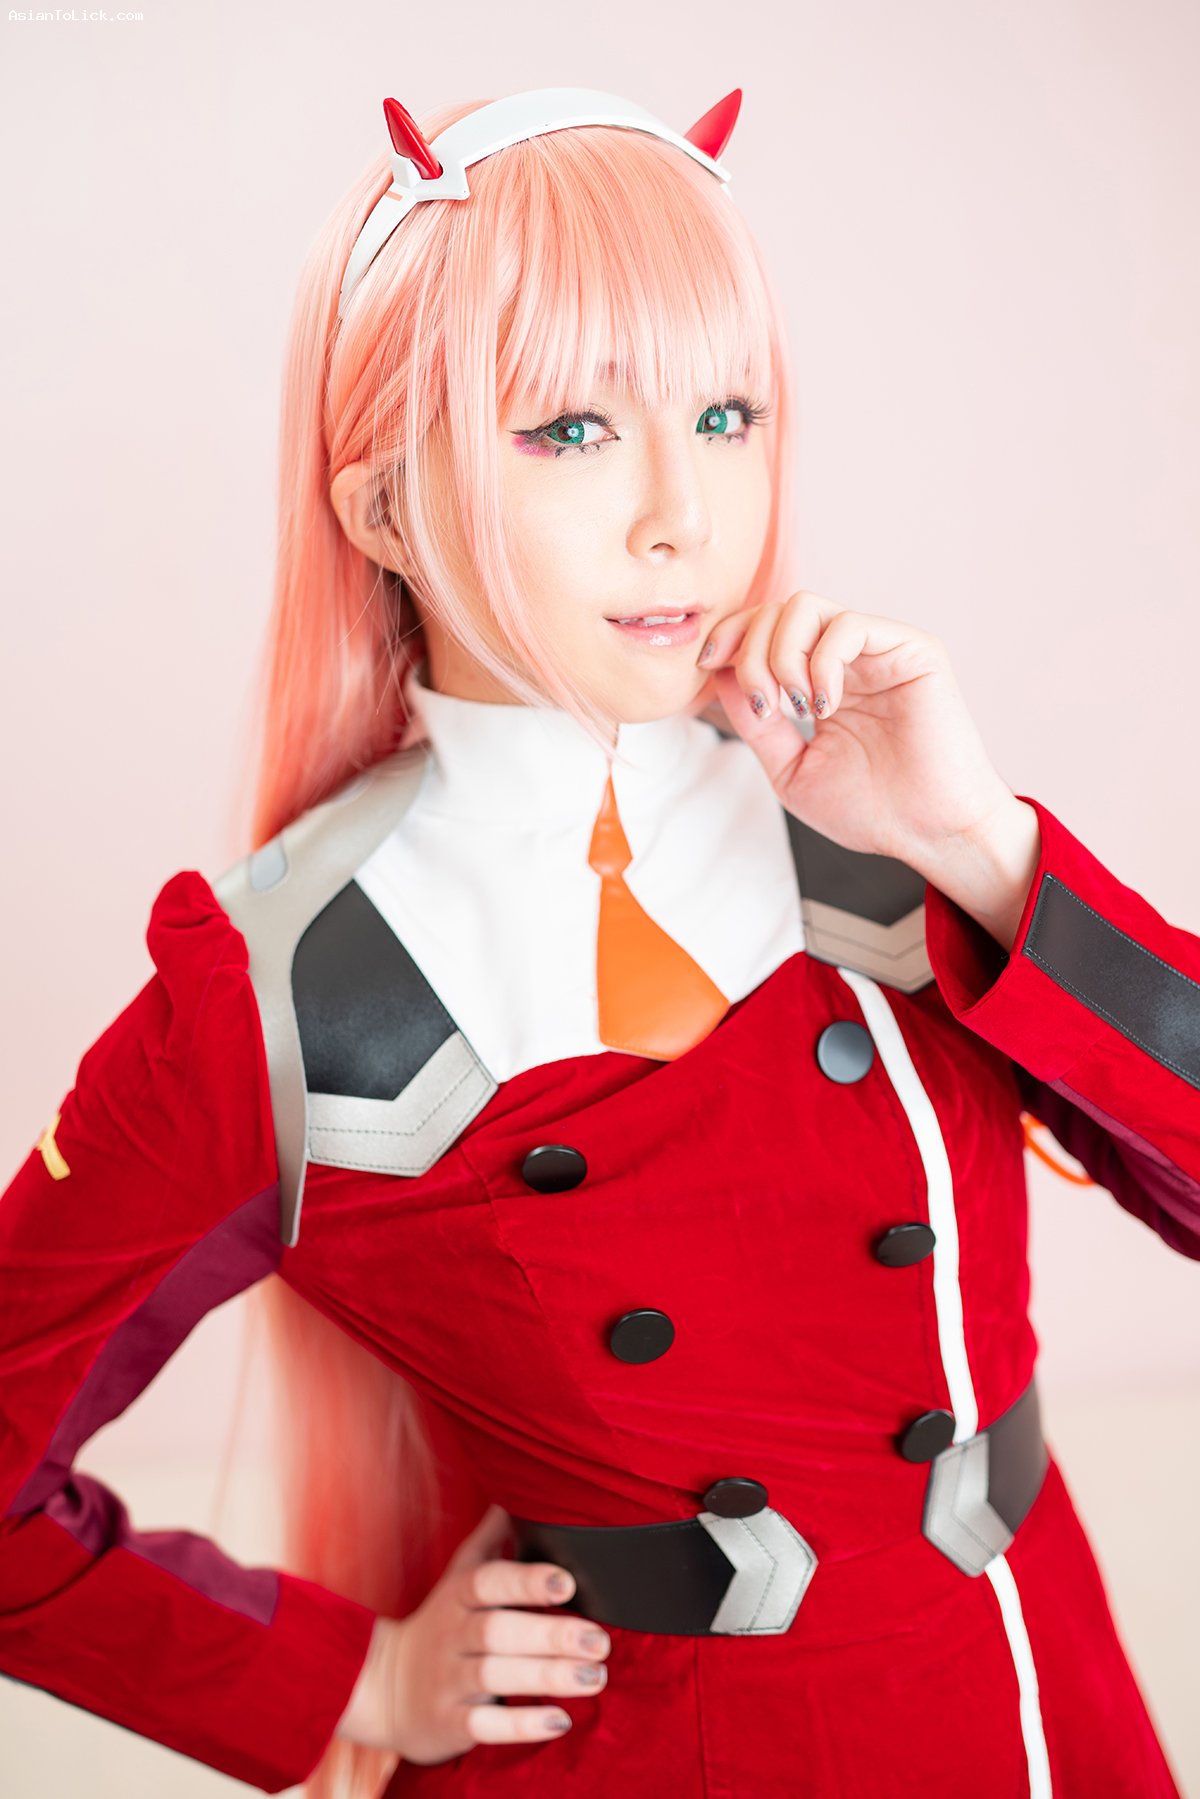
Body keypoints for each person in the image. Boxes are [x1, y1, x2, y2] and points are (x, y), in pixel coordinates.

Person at [1, 83, 1195, 1799]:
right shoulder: (276, 993)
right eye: (570, 429)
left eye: (725, 413)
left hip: (1035, 1698)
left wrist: (984, 853)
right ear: (383, 511)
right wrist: (358, 1680)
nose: (679, 514)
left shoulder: (885, 816)